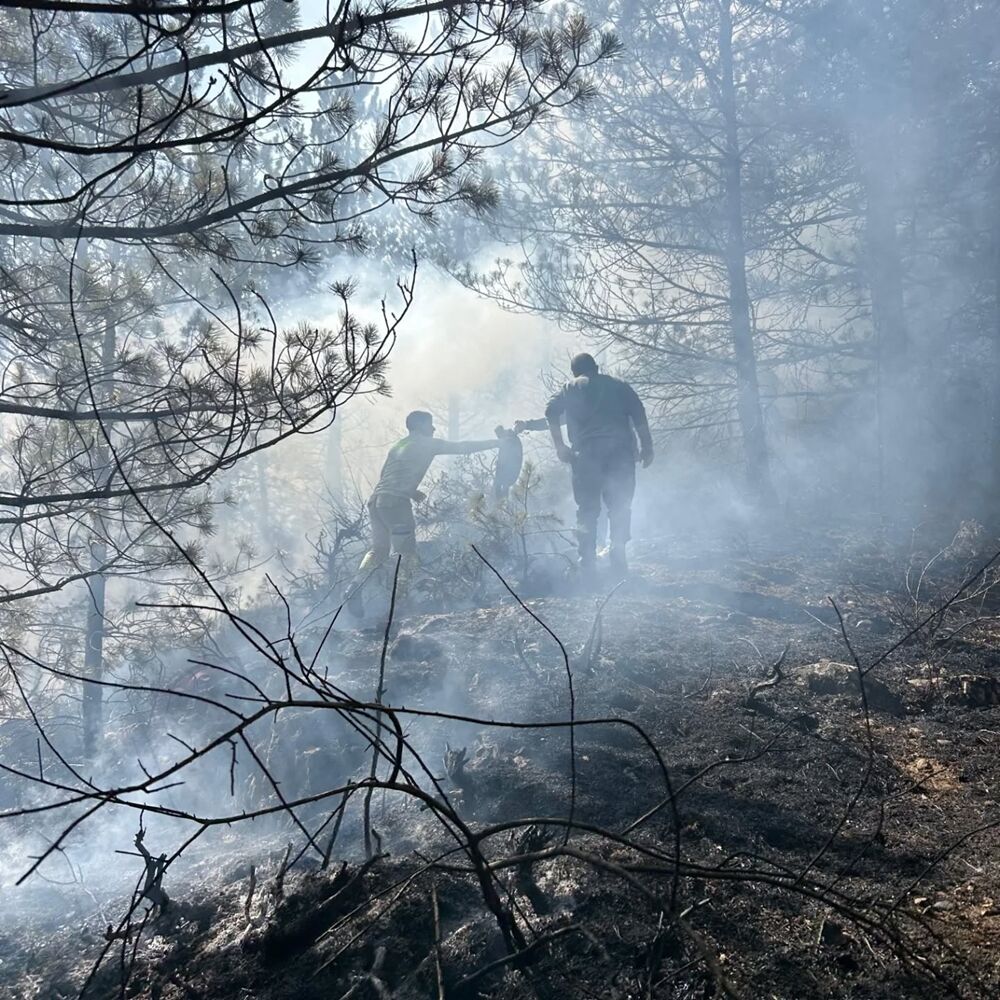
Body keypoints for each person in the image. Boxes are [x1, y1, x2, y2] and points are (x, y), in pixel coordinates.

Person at [347, 411, 503, 616]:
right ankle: (399, 604)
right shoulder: (427, 443)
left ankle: (354, 587)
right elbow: (462, 447)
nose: (433, 428)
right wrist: (497, 443)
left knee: (379, 551)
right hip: (395, 503)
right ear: (420, 425)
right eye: (430, 424)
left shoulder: (399, 445)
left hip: (377, 502)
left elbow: (385, 474)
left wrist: (411, 491)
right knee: (406, 555)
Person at [516, 353, 653, 578]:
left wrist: (560, 446)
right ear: (596, 368)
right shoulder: (619, 386)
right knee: (620, 506)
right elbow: (638, 412)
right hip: (620, 455)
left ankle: (587, 562)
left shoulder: (570, 388)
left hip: (587, 456)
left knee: (587, 510)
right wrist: (647, 446)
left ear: (574, 372)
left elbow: (551, 412)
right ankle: (618, 554)